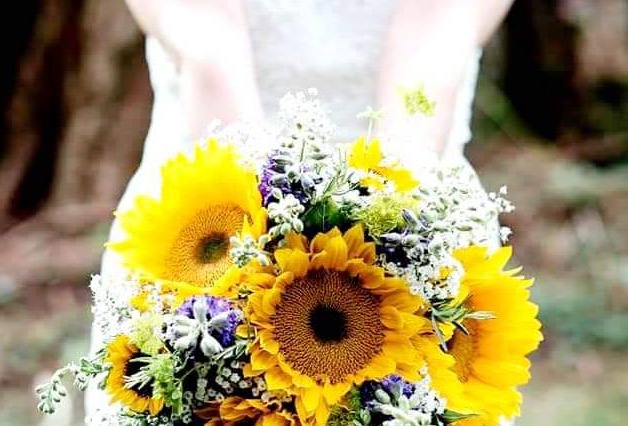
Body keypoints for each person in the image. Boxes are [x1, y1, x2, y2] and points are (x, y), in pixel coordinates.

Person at [86, 0, 515, 421]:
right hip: (200, 217)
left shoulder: (411, 205)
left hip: (418, 190)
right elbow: (208, 48)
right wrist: (248, 275)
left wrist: (398, 233)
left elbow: (433, 45)